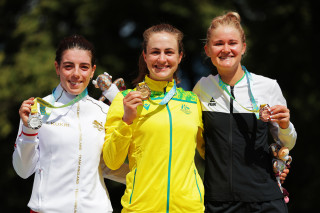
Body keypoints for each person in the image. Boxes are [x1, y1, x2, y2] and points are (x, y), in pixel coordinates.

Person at [193, 12, 297, 213]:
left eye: (232, 43)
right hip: (218, 202)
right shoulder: (202, 89)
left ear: (243, 47)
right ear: (207, 50)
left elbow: (287, 143)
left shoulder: (267, 86)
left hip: (265, 201)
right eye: (218, 44)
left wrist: (285, 125)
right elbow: (198, 143)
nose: (226, 49)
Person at [13, 34, 128, 213]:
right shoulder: (38, 109)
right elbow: (23, 170)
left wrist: (150, 177)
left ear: (92, 71)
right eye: (68, 66)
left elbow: (108, 166)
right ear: (57, 67)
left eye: (84, 67)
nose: (76, 74)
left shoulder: (105, 112)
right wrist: (28, 129)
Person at [103, 24, 205, 212]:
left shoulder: (193, 102)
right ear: (145, 56)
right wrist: (126, 121)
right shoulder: (125, 100)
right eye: (155, 52)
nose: (162, 59)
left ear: (180, 56)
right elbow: (111, 161)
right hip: (140, 208)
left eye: (169, 52)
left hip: (189, 208)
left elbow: (212, 153)